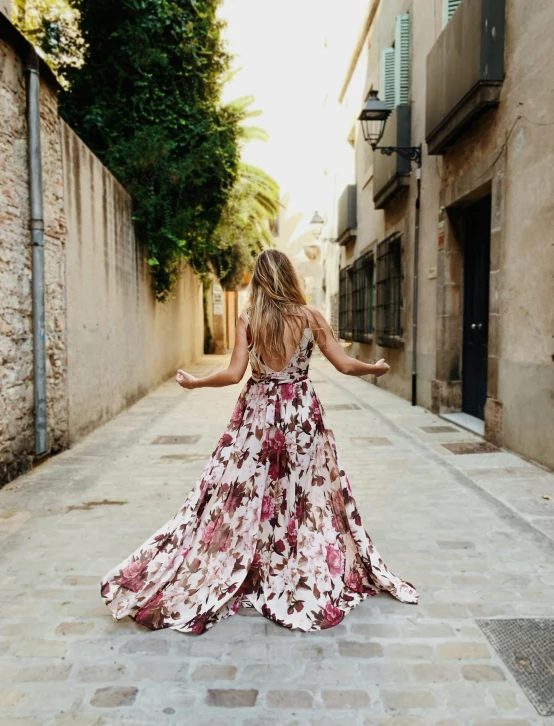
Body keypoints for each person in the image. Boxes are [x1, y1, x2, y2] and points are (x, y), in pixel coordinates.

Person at [100, 249, 418, 633]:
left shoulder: (249, 319)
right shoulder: (311, 317)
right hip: (301, 416)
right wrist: (376, 368)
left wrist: (196, 382)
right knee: (300, 495)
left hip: (257, 419)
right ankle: (291, 565)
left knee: (247, 493)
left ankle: (257, 562)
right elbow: (346, 365)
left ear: (259, 280)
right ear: (290, 277)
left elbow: (234, 373)